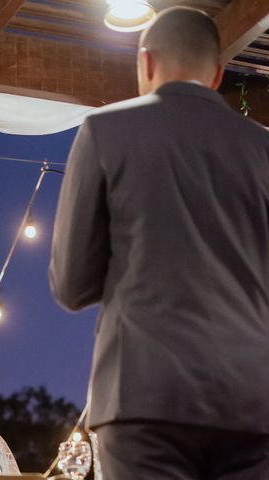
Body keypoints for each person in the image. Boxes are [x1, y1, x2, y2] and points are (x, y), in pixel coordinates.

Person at [49, 6, 269, 479]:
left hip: (142, 393)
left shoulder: (106, 132)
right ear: (217, 75)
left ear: (145, 64)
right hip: (254, 402)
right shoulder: (263, 147)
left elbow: (71, 284)